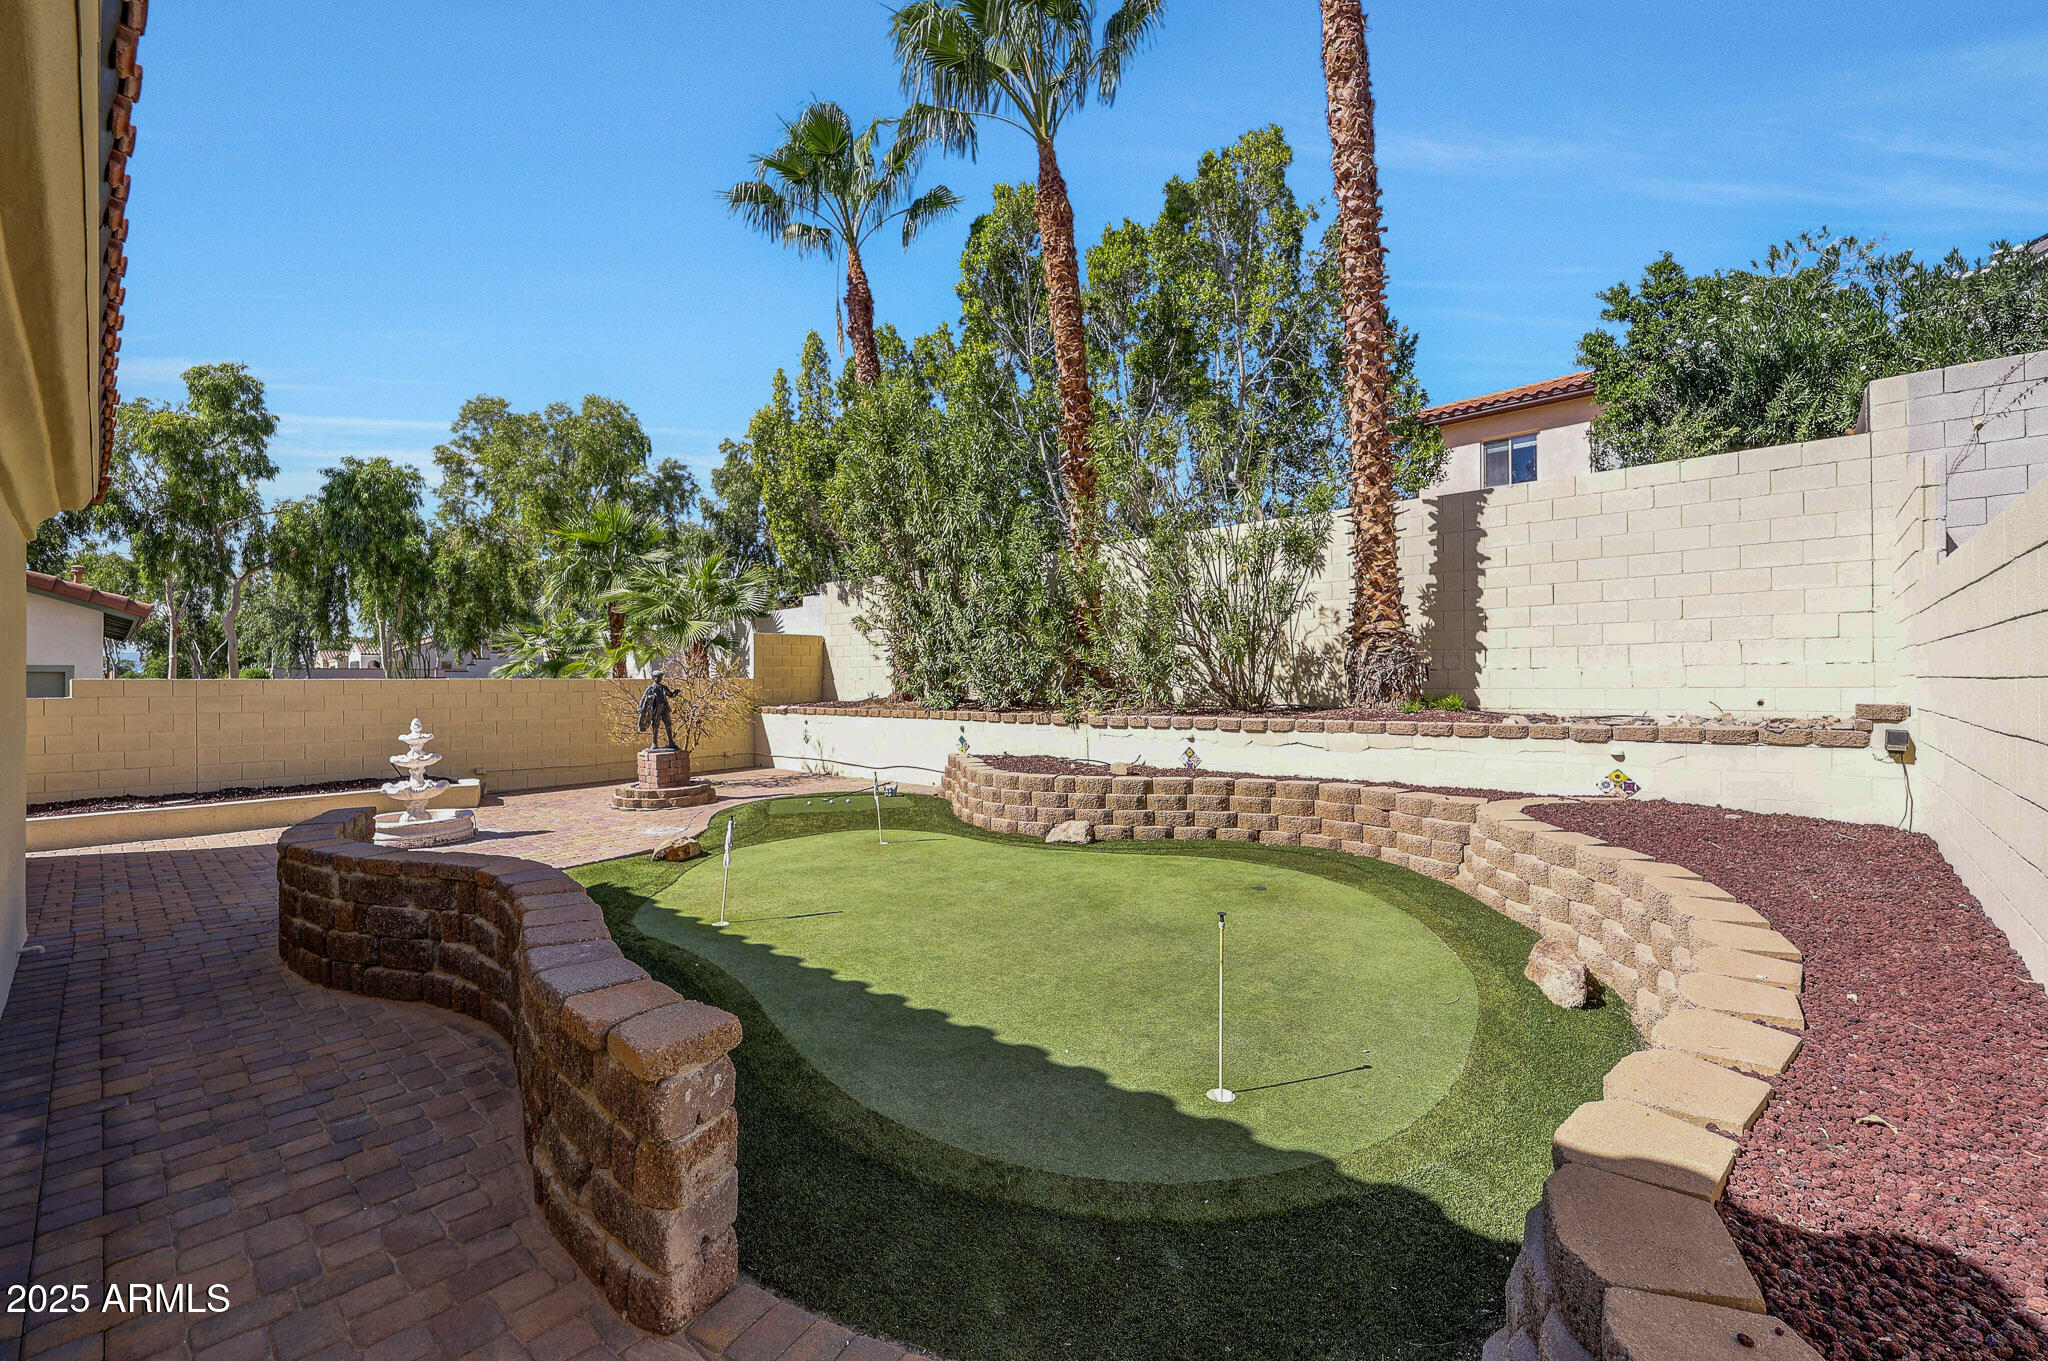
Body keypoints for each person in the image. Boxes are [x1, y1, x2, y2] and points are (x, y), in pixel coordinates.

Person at [637, 669, 679, 750]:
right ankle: (654, 743)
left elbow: (670, 695)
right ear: (653, 678)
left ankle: (671, 742)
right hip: (656, 708)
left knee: (668, 724)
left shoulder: (664, 687)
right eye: (658, 677)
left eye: (661, 677)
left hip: (664, 708)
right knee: (655, 725)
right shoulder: (650, 688)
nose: (660, 678)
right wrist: (640, 707)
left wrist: (675, 693)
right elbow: (643, 698)